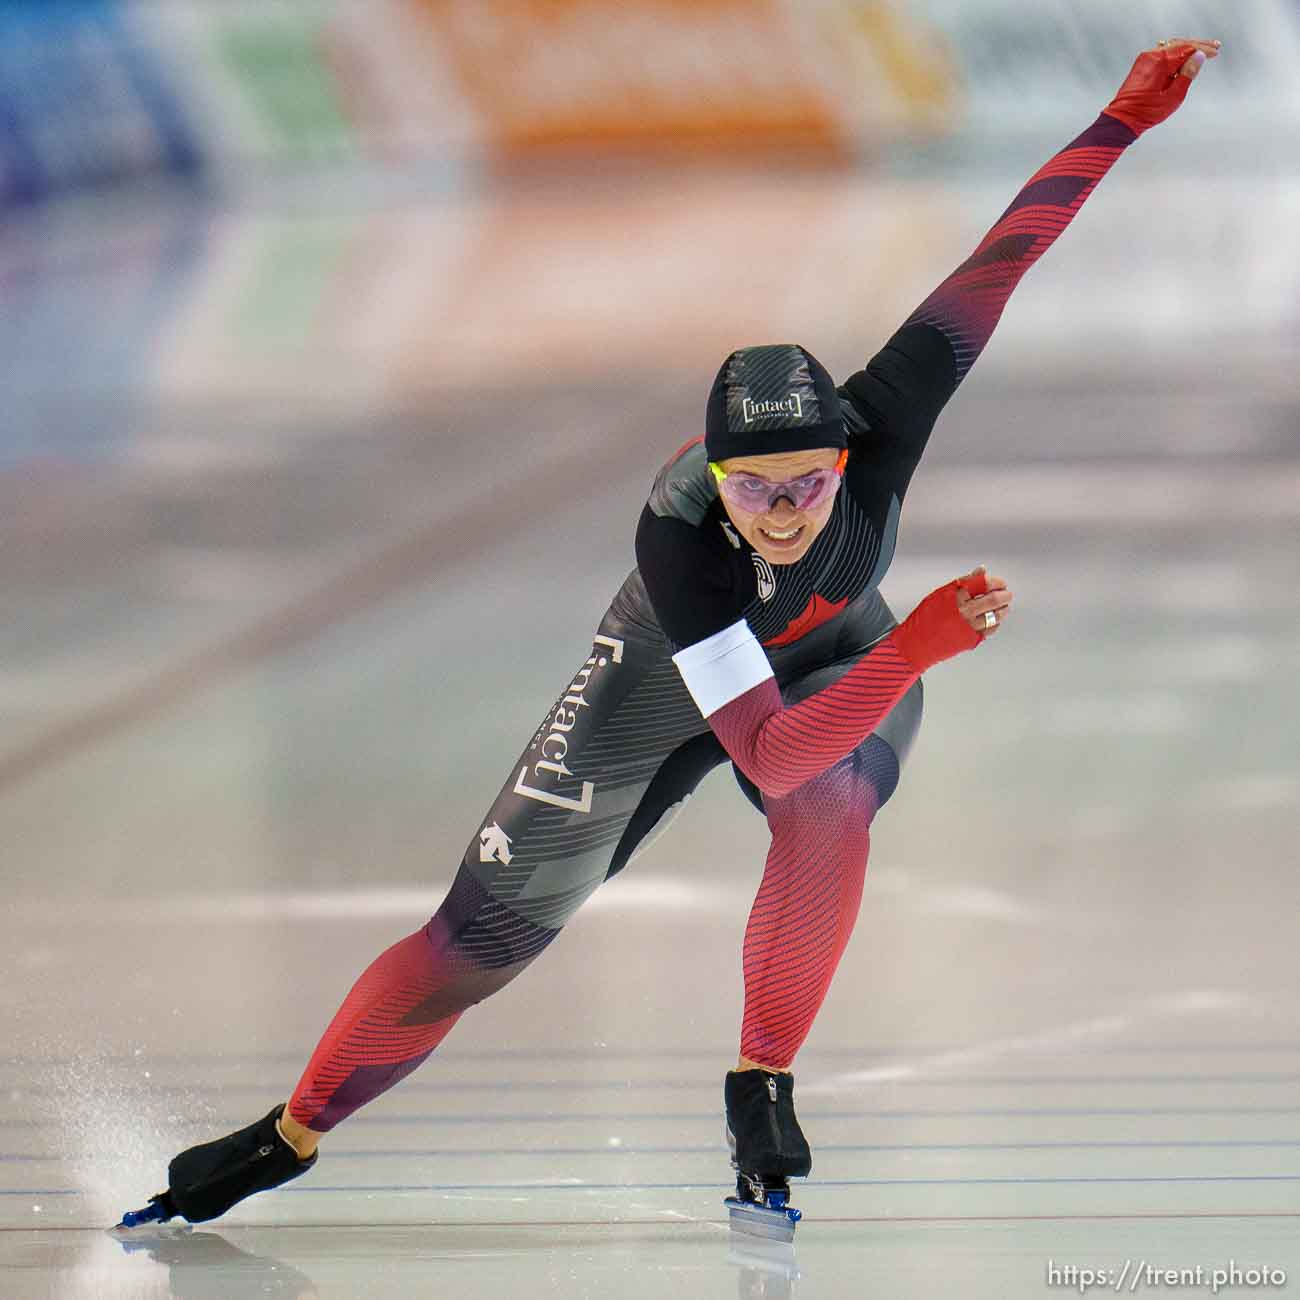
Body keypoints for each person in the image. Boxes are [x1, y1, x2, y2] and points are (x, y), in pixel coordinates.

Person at [119, 37, 1220, 1229]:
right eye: (756, 491)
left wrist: (1120, 118)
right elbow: (763, 751)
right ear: (718, 479)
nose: (786, 512)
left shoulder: (889, 414)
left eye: (808, 483)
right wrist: (914, 651)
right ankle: (292, 1129)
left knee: (835, 800)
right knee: (468, 949)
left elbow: (1000, 259)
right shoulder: (683, 537)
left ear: (847, 452)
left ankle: (762, 1082)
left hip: (835, 659)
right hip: (663, 685)